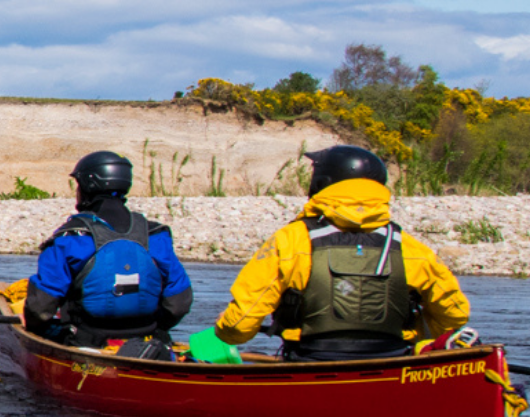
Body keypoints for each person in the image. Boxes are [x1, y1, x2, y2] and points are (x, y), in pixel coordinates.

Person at [193, 145, 470, 362]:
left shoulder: (290, 241)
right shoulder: (410, 247)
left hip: (311, 360)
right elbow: (455, 316)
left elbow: (240, 326)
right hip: (392, 362)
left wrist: (224, 331)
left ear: (321, 183)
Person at [23, 150, 193, 351]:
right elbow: (180, 301)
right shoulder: (155, 236)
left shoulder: (69, 239)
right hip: (147, 342)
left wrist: (34, 327)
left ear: (87, 185)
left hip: (84, 342)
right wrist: (156, 327)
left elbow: (40, 308)